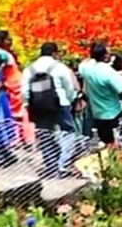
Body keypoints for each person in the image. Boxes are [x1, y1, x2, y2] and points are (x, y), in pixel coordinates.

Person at [22, 43, 80, 177]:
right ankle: (63, 164)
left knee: (44, 134)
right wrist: (71, 99)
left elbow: (24, 92)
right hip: (60, 103)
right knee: (68, 132)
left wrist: (27, 104)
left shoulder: (29, 69)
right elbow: (69, 87)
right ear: (54, 53)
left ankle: (50, 166)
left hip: (38, 106)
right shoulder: (59, 67)